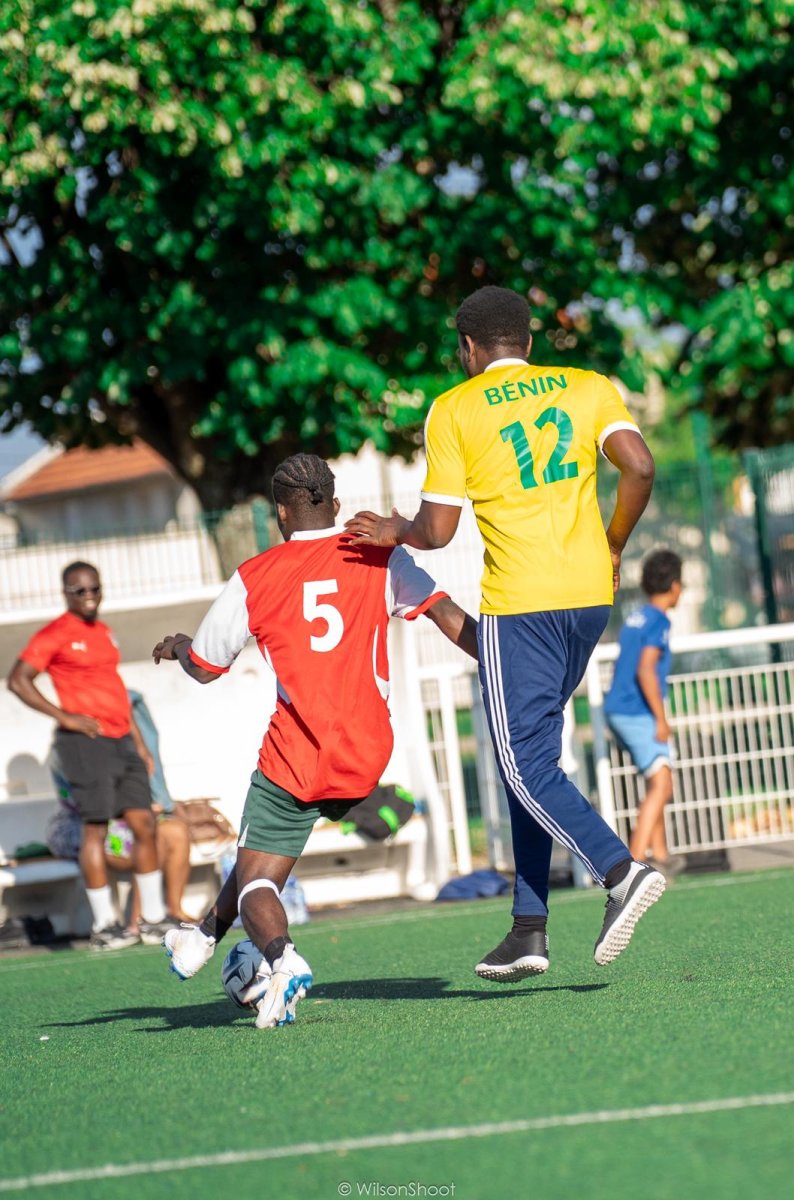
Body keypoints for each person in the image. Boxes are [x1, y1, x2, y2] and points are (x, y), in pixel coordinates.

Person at [345, 284, 665, 980]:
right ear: (529, 340)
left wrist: (396, 529)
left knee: (524, 766)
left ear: (467, 347)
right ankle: (528, 927)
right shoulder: (587, 386)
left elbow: (436, 531)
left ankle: (620, 871)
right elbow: (640, 466)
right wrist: (613, 544)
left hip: (521, 604)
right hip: (589, 599)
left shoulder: (455, 408)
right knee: (534, 763)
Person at [154, 453, 477, 1028]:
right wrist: (507, 662)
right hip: (365, 751)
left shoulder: (255, 575)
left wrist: (179, 645)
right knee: (258, 858)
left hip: (298, 753)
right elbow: (447, 616)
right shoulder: (379, 554)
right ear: (335, 502)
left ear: (280, 512)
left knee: (256, 878)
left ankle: (282, 960)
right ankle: (200, 939)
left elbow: (204, 668)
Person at [8, 562, 175, 949]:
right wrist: (65, 717)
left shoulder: (103, 632)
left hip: (122, 740)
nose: (89, 597)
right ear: (66, 593)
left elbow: (114, 688)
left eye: (95, 589)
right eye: (80, 591)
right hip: (85, 743)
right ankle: (104, 926)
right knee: (95, 829)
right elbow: (18, 680)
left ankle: (153, 920)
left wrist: (139, 743)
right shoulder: (54, 633)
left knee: (144, 823)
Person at [604, 549, 685, 876]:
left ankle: (661, 855)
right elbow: (646, 669)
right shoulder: (658, 620)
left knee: (657, 780)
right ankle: (632, 867)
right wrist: (661, 719)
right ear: (675, 586)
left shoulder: (636, 617)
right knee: (663, 783)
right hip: (635, 711)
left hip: (619, 708)